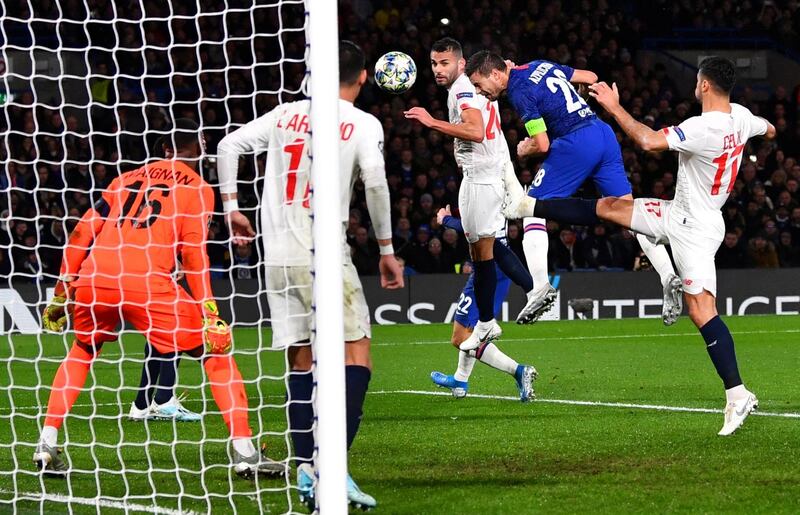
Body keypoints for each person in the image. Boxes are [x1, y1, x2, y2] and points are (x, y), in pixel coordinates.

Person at [506, 57, 776, 435]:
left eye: (696, 82)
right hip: (676, 212)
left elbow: (648, 142)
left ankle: (737, 395)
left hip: (695, 229)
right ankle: (532, 205)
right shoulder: (742, 116)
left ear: (703, 86)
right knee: (612, 207)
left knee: (701, 311)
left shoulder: (703, 126)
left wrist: (615, 108)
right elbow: (771, 130)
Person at [217, 41, 404, 510]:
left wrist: (231, 208)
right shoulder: (362, 123)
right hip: (320, 250)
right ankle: (331, 471)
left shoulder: (284, 114)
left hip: (275, 253)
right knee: (356, 354)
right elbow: (377, 184)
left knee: (302, 358)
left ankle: (305, 468)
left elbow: (228, 144)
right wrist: (386, 249)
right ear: (363, 78)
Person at [37, 119, 281, 477]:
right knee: (216, 354)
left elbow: (80, 232)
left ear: (165, 150)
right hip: (146, 282)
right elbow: (194, 255)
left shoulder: (124, 179)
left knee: (83, 351)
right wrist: (210, 311)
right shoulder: (199, 188)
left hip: (94, 277)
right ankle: (245, 452)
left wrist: (62, 292)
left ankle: (47, 441)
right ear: (199, 151)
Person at [466, 51, 682, 326]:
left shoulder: (519, 92)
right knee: (629, 214)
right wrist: (574, 96)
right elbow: (590, 77)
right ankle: (667, 276)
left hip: (575, 141)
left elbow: (542, 144)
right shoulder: (538, 64)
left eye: (478, 84)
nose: (479, 92)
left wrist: (524, 148)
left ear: (496, 74)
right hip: (602, 133)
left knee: (530, 208)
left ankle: (540, 287)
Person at [404, 38, 546, 357]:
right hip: (484, 174)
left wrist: (431, 122)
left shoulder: (463, 90)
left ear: (461, 63)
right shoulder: (476, 85)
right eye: (434, 64)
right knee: (486, 248)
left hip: (482, 178)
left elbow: (475, 131)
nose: (439, 70)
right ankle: (519, 299)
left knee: (484, 253)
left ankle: (489, 320)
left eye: (445, 63)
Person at [430, 205, 537, 402]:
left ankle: (518, 371)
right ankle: (460, 381)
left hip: (489, 266)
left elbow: (474, 229)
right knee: (470, 332)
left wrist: (445, 220)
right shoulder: (496, 186)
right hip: (496, 265)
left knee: (460, 337)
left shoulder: (485, 186)